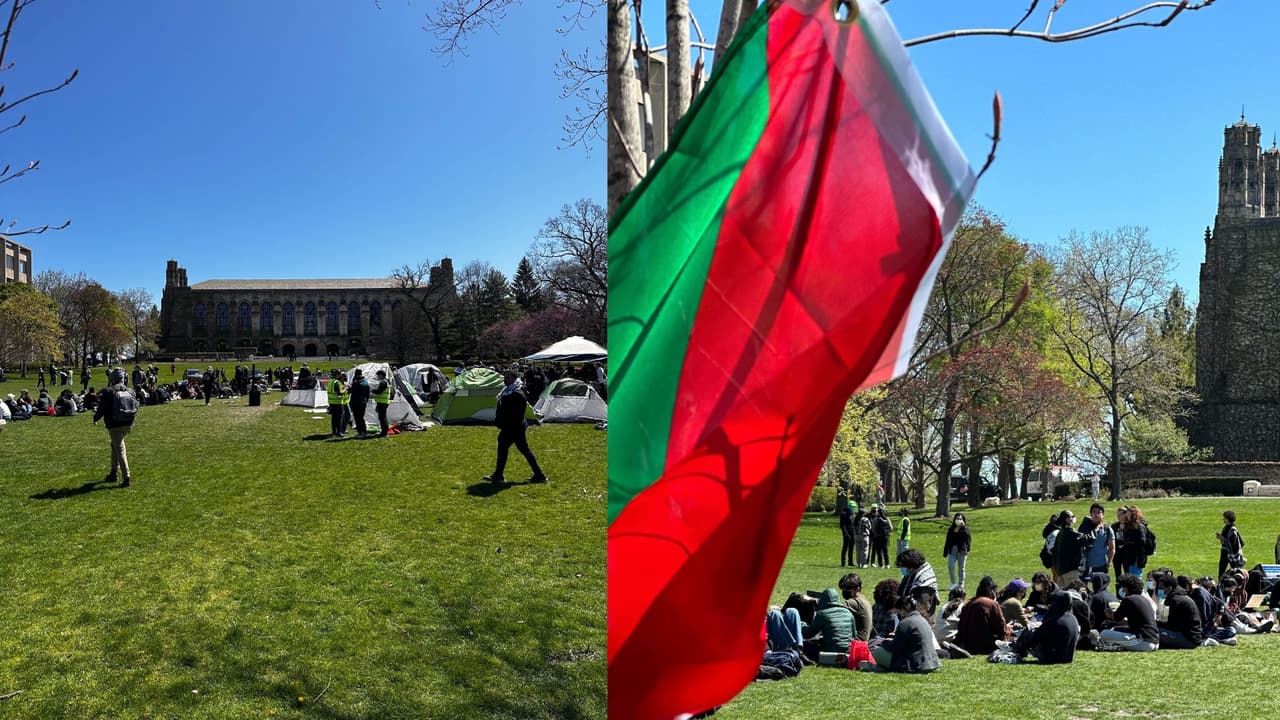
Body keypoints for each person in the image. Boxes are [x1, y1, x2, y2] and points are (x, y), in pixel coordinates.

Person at [483, 369, 547, 484]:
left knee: (505, 447)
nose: (505, 380)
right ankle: (539, 475)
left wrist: (505, 424)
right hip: (514, 427)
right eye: (504, 377)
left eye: (507, 378)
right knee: (523, 449)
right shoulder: (507, 391)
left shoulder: (517, 394)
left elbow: (514, 413)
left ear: (513, 378)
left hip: (513, 427)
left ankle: (499, 475)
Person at [869, 595, 941, 673]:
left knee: (877, 652)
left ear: (903, 610)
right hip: (930, 663)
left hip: (914, 664)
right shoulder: (923, 620)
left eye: (898, 612)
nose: (898, 615)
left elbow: (895, 647)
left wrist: (884, 642)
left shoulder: (906, 623)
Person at [92, 367, 138, 487]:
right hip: (127, 422)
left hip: (114, 424)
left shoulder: (109, 391)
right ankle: (113, 472)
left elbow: (102, 408)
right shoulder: (131, 391)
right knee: (115, 446)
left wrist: (96, 418)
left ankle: (126, 477)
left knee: (120, 449)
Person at [1098, 573, 1159, 651]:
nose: (1122, 589)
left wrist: (1109, 614)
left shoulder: (1129, 599)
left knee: (1104, 633)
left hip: (1143, 642)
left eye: (1123, 586)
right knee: (1116, 629)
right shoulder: (1144, 599)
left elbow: (1116, 618)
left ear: (1127, 587)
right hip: (1155, 642)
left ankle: (1112, 647)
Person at [1015, 590, 1079, 663]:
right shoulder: (1073, 618)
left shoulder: (1055, 621)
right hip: (1067, 657)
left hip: (1051, 658)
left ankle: (1017, 652)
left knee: (1030, 629)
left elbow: (1036, 637)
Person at [954, 575, 1011, 655]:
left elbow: (961, 627)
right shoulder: (991, 604)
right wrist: (1009, 629)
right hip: (986, 645)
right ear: (992, 591)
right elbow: (1001, 629)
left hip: (968, 644)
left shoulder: (967, 604)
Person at [800, 588, 855, 662]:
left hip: (828, 651)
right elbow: (854, 635)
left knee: (803, 645)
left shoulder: (822, 614)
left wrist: (801, 624)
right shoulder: (848, 613)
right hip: (847, 652)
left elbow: (808, 634)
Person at [1156, 573, 1203, 650]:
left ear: (1170, 588)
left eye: (1161, 587)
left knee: (1154, 632)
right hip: (1191, 637)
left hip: (1188, 639)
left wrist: (1156, 624)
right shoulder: (1180, 597)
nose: (1159, 589)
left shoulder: (1176, 600)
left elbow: (1172, 625)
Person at [1078, 503, 1116, 579]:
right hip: (1085, 566)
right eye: (1094, 512)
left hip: (1101, 565)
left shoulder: (1107, 529)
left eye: (1099, 512)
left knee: (1100, 585)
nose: (1096, 514)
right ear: (1090, 514)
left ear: (1103, 515)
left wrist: (1109, 562)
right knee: (1083, 586)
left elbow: (1112, 548)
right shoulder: (1084, 528)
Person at [895, 548, 938, 614]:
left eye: (902, 567)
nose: (901, 569)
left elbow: (923, 608)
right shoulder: (911, 574)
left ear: (911, 566)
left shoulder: (924, 582)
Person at [1051, 509, 1087, 586]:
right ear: (1067, 519)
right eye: (1072, 516)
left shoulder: (1060, 533)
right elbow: (1086, 539)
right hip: (1070, 571)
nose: (1074, 518)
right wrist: (1092, 526)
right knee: (1073, 592)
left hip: (1060, 571)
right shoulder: (1071, 532)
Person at [1118, 505, 1154, 577]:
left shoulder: (1139, 526)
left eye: (1128, 514)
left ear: (1133, 515)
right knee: (1131, 576)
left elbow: (1142, 541)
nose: (1126, 516)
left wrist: (1129, 543)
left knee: (1135, 577)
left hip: (1136, 558)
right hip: (1130, 557)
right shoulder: (1128, 526)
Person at [839, 572, 874, 642]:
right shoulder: (864, 600)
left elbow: (835, 607)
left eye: (848, 589)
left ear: (857, 589)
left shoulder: (855, 602)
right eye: (843, 589)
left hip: (857, 641)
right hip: (862, 640)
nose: (844, 591)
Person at [943, 513, 971, 591]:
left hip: (961, 552)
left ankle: (961, 584)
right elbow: (947, 540)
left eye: (960, 519)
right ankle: (953, 583)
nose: (959, 520)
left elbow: (968, 539)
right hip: (952, 551)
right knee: (950, 566)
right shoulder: (951, 529)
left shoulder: (965, 529)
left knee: (961, 569)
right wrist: (945, 551)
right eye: (957, 518)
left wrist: (963, 527)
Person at [1217, 509, 1246, 581]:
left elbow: (1233, 544)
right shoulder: (1226, 527)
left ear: (1228, 519)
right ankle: (1221, 583)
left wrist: (1223, 538)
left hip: (1232, 554)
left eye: (1224, 518)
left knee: (1236, 570)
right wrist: (1221, 538)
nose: (1223, 519)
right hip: (1225, 552)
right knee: (1221, 570)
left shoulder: (1233, 529)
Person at [327, 369, 349, 437]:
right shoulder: (336, 382)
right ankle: (339, 432)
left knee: (334, 418)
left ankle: (334, 432)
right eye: (339, 374)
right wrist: (345, 388)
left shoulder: (330, 381)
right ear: (337, 375)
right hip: (337, 402)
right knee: (339, 418)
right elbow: (339, 393)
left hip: (331, 402)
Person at [349, 368, 371, 437]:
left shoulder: (356, 383)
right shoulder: (365, 382)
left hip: (357, 402)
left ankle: (361, 432)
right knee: (361, 418)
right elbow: (367, 393)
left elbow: (352, 391)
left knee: (358, 418)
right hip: (363, 402)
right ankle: (363, 432)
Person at [372, 369, 393, 438]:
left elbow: (379, 391)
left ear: (381, 375)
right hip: (382, 402)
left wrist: (372, 390)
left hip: (383, 402)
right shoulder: (385, 382)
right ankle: (383, 432)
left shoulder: (383, 382)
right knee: (382, 417)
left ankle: (384, 433)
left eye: (378, 375)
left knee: (383, 418)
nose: (377, 377)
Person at [1111, 506, 1129, 579]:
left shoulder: (1130, 526)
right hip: (1117, 554)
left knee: (1128, 574)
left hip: (1127, 554)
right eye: (1118, 515)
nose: (1120, 517)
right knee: (1118, 574)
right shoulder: (1114, 526)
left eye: (1122, 514)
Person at [839, 503, 856, 567]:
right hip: (846, 533)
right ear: (849, 506)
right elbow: (842, 525)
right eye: (852, 507)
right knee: (845, 547)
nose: (853, 508)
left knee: (851, 548)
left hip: (852, 532)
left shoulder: (853, 513)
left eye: (854, 507)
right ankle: (843, 562)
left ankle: (850, 562)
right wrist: (845, 533)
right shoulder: (844, 513)